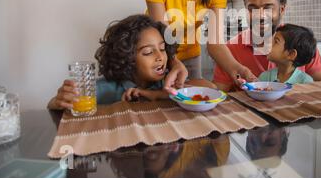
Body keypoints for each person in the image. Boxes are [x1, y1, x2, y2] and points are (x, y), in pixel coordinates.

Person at [48, 14, 215, 110]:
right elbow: (54, 106)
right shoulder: (106, 88)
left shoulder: (165, 84)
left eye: (163, 49)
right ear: (126, 57)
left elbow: (210, 87)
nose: (160, 57)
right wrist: (58, 102)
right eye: (148, 52)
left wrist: (155, 95)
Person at [212, 0, 321, 92]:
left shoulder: (300, 41)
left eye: (268, 8)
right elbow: (219, 96)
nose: (260, 16)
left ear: (282, 9)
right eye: (252, 8)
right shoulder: (230, 49)